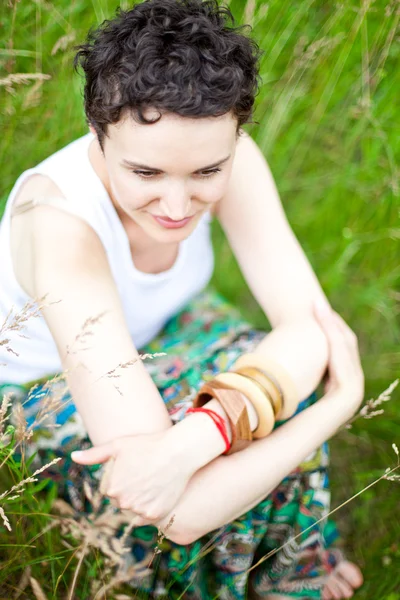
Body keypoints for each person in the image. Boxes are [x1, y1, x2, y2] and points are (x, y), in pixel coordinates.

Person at [0, 0, 365, 598]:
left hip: (171, 327)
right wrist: (335, 403)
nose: (176, 206)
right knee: (273, 394)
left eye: (205, 173)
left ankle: (282, 558)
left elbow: (309, 329)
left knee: (266, 371)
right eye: (146, 174)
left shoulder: (231, 155)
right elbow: (178, 513)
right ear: (98, 132)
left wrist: (197, 437)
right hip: (46, 392)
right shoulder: (61, 227)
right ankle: (269, 569)